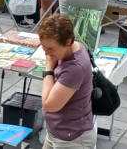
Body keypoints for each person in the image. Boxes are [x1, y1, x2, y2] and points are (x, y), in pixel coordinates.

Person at [38, 14, 96, 149]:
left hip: (72, 139)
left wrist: (48, 69)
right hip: (57, 132)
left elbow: (49, 105)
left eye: (51, 49)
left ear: (68, 42)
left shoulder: (75, 68)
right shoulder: (71, 48)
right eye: (43, 47)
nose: (46, 53)